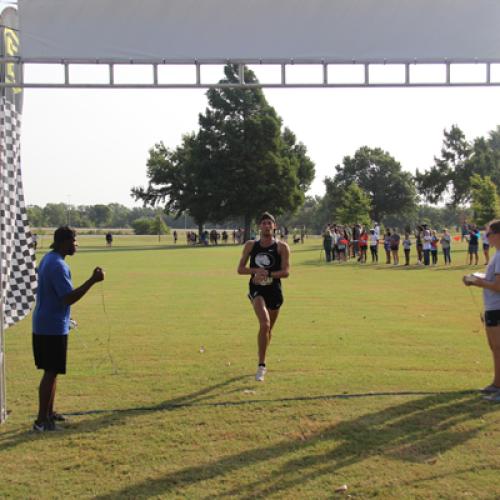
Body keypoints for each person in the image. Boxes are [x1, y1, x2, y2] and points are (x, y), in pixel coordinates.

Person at [32, 226, 105, 432]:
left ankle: (49, 413)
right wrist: (92, 280)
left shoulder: (49, 258)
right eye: (74, 241)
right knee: (50, 371)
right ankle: (41, 422)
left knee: (52, 371)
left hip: (47, 322)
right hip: (51, 327)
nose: (76, 244)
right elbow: (68, 298)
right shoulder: (58, 265)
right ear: (64, 242)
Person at [237, 212, 290, 382]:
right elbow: (240, 269)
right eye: (264, 223)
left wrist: (268, 274)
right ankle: (261, 366)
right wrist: (255, 272)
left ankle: (263, 355)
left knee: (268, 330)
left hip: (274, 290)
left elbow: (286, 272)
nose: (267, 226)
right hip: (256, 290)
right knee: (264, 323)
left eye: (270, 223)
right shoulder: (251, 245)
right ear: (259, 226)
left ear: (274, 226)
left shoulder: (282, 247)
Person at [463, 219, 500, 400]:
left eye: (489, 234)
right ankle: (496, 384)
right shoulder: (496, 255)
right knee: (495, 347)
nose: (487, 237)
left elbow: (499, 286)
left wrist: (476, 282)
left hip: (497, 308)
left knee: (498, 348)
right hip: (493, 307)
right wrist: (478, 277)